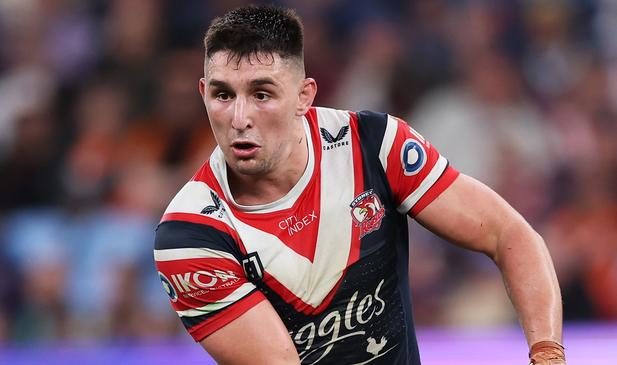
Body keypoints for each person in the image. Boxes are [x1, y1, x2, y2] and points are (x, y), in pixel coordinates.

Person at [153, 5, 565, 365]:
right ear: (203, 93)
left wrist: (547, 354)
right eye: (223, 95)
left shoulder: (373, 144)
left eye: (262, 94)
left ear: (303, 96)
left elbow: (510, 234)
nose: (239, 117)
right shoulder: (190, 234)